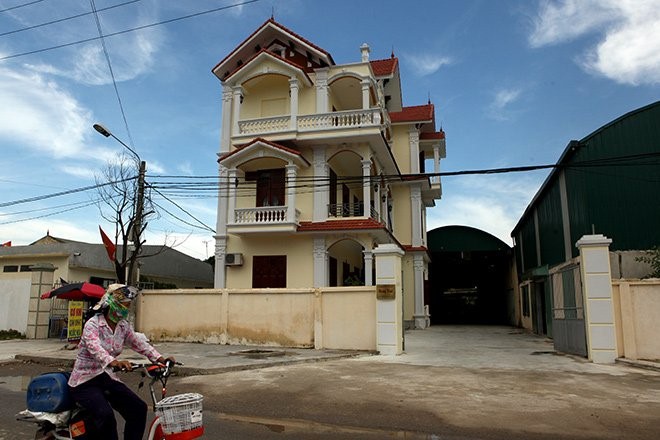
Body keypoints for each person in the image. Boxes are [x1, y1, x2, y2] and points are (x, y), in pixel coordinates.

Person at [68, 284, 174, 440]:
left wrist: (160, 359)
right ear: (112, 304)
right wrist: (114, 362)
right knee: (106, 415)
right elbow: (95, 348)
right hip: (84, 381)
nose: (127, 309)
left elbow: (140, 344)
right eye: (124, 305)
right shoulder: (93, 324)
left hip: (106, 377)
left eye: (128, 306)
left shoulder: (123, 326)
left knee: (138, 408)